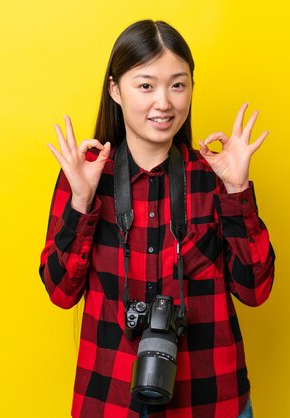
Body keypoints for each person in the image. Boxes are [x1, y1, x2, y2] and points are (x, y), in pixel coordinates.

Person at [39, 19, 275, 418]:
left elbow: (256, 290)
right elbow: (61, 293)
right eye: (146, 85)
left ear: (191, 90)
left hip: (210, 401)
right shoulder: (86, 176)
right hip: (110, 398)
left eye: (177, 85)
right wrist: (81, 200)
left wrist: (237, 192)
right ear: (115, 89)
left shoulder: (214, 177)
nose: (163, 102)